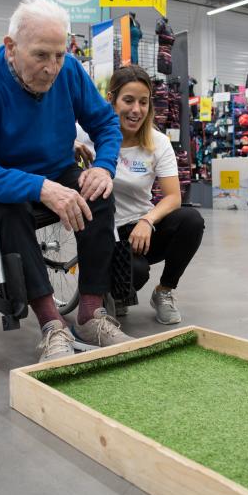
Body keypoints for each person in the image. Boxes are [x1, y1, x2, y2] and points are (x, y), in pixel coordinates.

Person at [0, 0, 132, 363]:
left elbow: (105, 123)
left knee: (98, 194)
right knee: (9, 210)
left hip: (55, 167)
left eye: (59, 55)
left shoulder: (69, 71)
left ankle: (91, 314)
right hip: (2, 178)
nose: (52, 68)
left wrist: (104, 166)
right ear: (11, 48)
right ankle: (52, 324)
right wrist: (39, 188)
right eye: (40, 56)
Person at [102, 65, 205, 324]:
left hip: (142, 229)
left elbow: (173, 197)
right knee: (135, 273)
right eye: (128, 100)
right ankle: (115, 291)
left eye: (143, 102)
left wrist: (147, 221)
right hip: (105, 232)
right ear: (111, 99)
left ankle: (165, 292)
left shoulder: (157, 142)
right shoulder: (94, 135)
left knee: (191, 220)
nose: (136, 110)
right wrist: (73, 143)